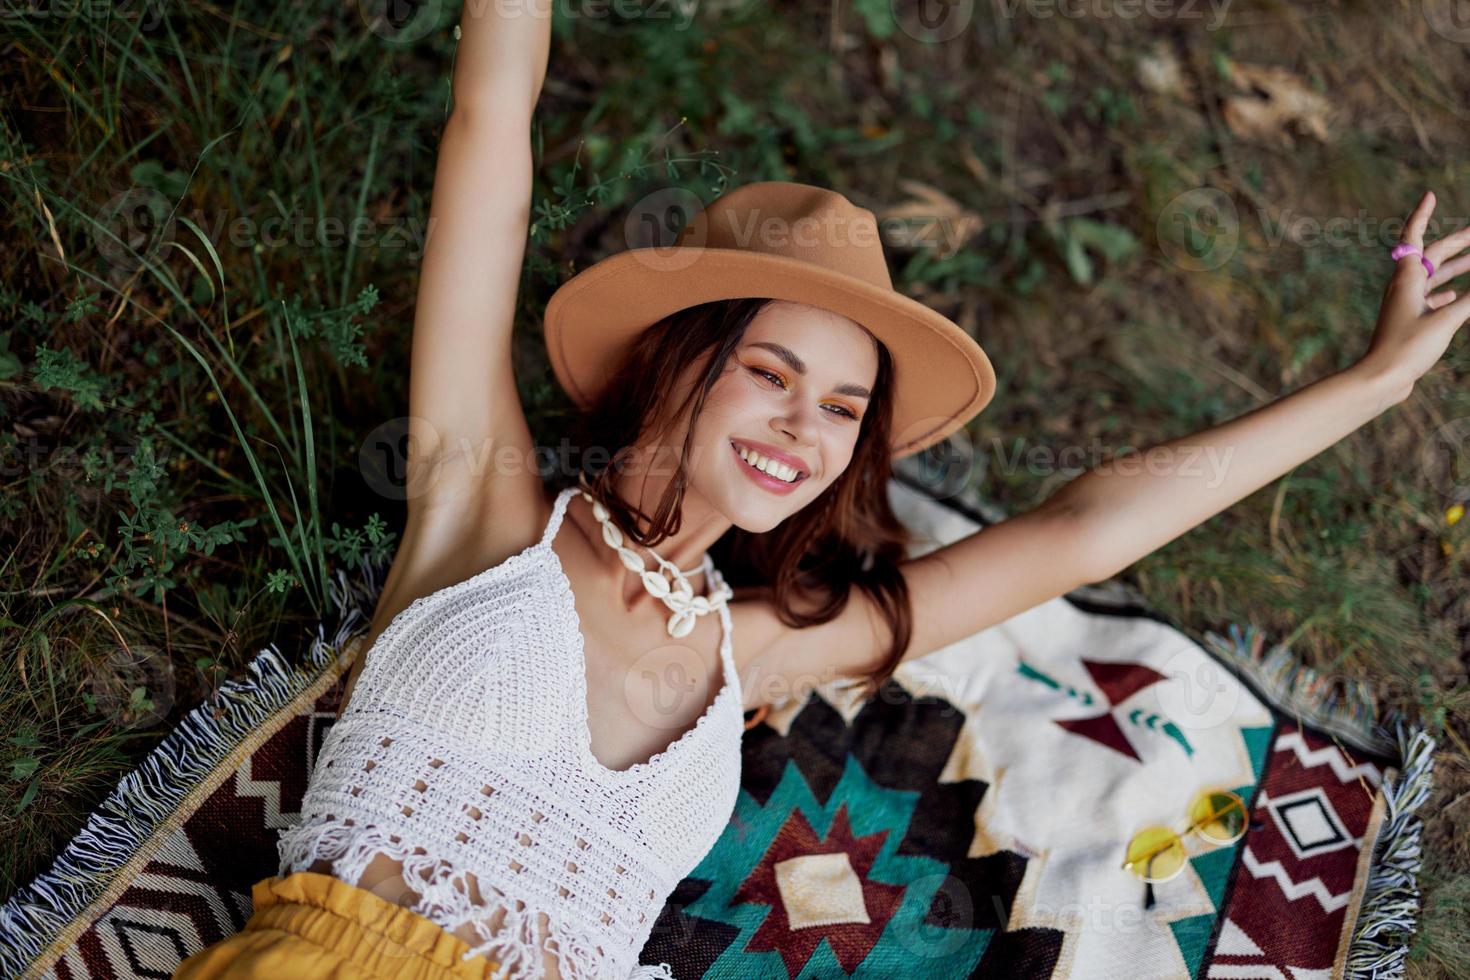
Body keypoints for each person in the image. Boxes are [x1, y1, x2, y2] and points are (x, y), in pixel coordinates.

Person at [174, 0, 1470, 974]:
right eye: (772, 373)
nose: (807, 426)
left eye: (845, 408)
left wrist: (1373, 386)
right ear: (684, 363)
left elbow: (1075, 535)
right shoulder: (489, 509)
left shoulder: (759, 653)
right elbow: (490, 139)